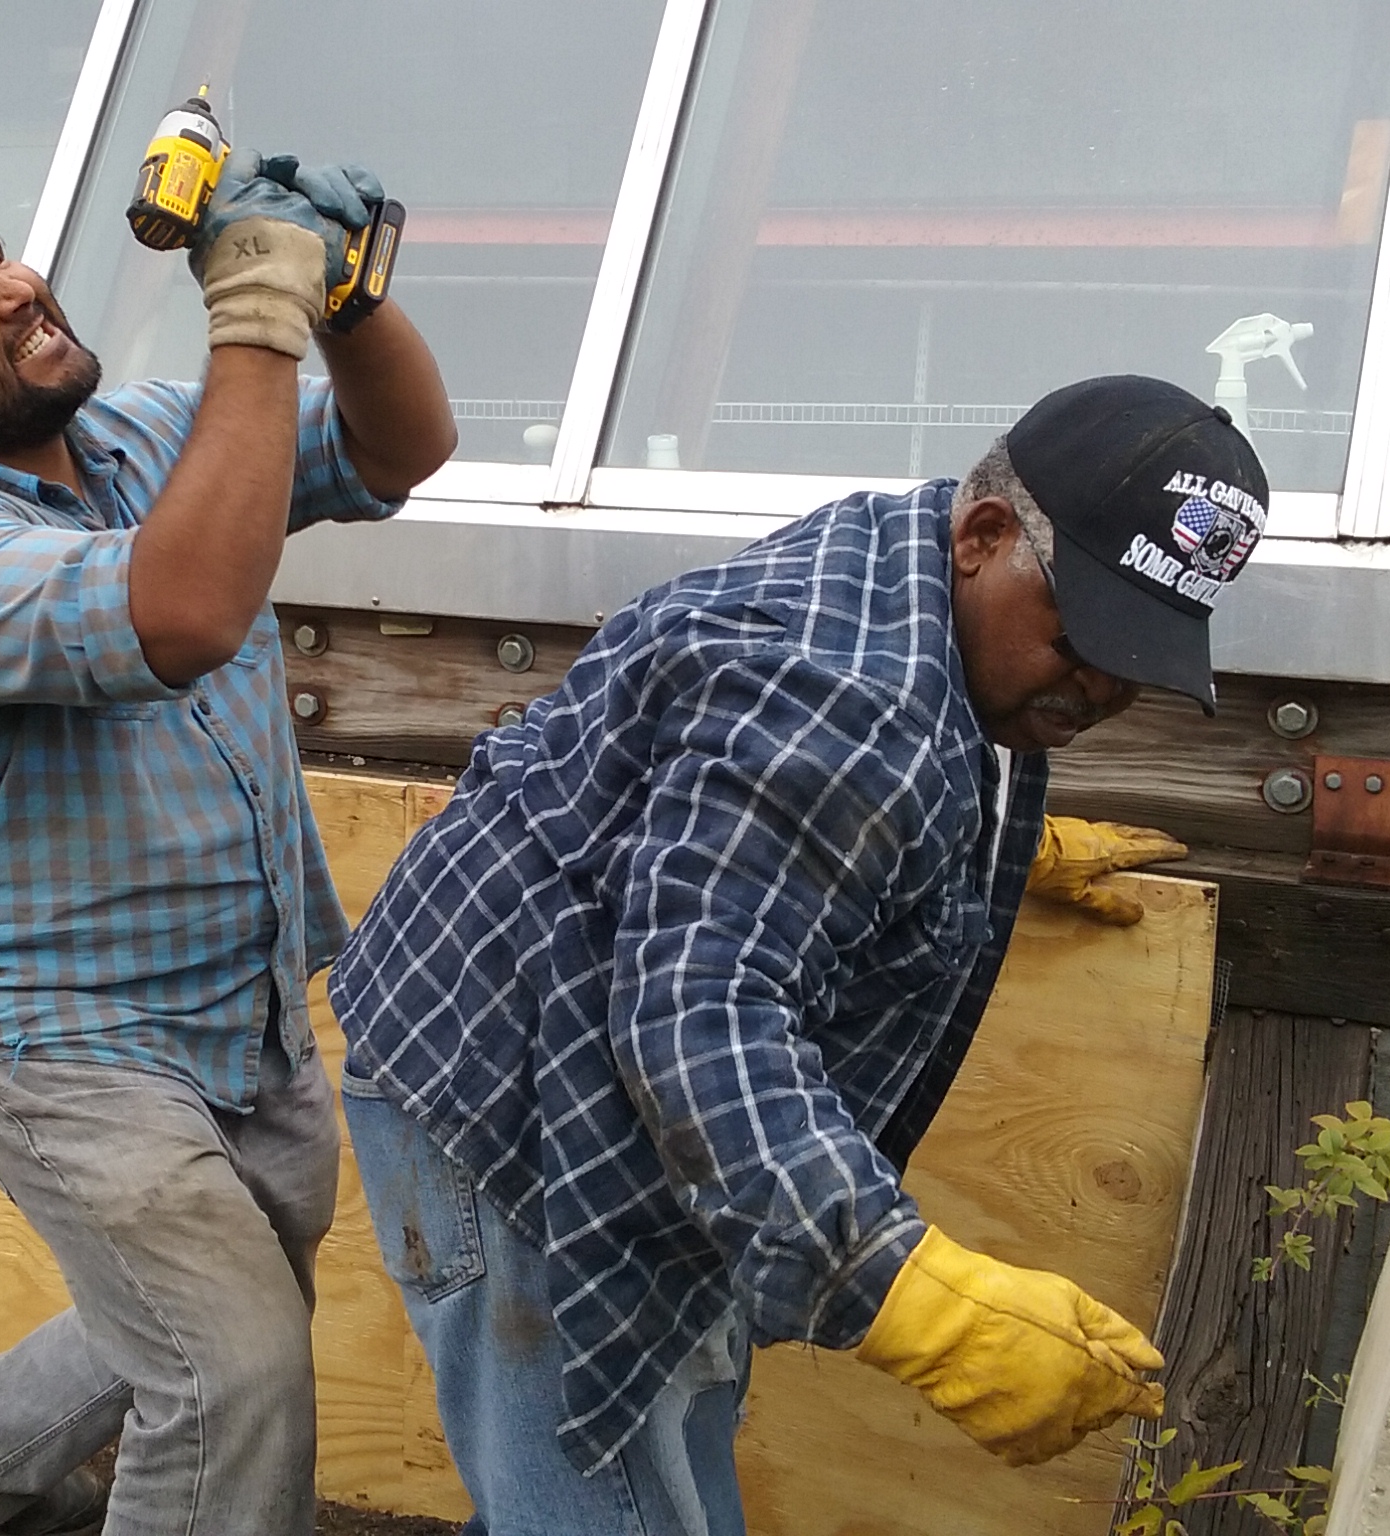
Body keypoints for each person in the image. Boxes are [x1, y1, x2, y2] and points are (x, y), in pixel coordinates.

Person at [328, 375, 1267, 1535]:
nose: (1103, 687)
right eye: (1081, 639)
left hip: (543, 1026)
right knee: (621, 1501)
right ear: (982, 534)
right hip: (507, 1106)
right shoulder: (850, 704)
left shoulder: (911, 562)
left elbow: (724, 788)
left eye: (1137, 657)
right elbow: (698, 1015)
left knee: (630, 1471)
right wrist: (910, 1297)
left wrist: (969, 845)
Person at [0, 156, 454, 1536]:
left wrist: (346, 297)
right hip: (58, 1035)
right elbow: (179, 611)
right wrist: (254, 308)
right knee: (230, 1370)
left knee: (202, 1313)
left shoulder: (145, 438)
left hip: (243, 1005)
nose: (16, 287)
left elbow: (398, 450)